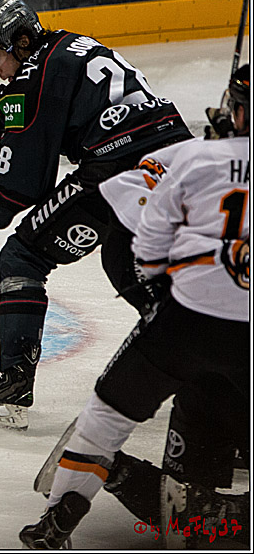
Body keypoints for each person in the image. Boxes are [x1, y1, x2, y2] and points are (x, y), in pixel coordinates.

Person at [0, 0, 192, 430]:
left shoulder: (33, 80)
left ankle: (16, 379)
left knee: (22, 257)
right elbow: (55, 83)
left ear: (20, 42)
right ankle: (208, 366)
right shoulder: (69, 44)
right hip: (180, 159)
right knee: (131, 261)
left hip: (119, 168)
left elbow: (25, 183)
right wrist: (1, 102)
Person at [18, 65, 250, 549]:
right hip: (178, 281)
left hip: (180, 301)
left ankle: (64, 512)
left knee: (115, 405)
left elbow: (150, 243)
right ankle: (195, 470)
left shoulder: (195, 155)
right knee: (208, 382)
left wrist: (180, 290)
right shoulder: (195, 155)